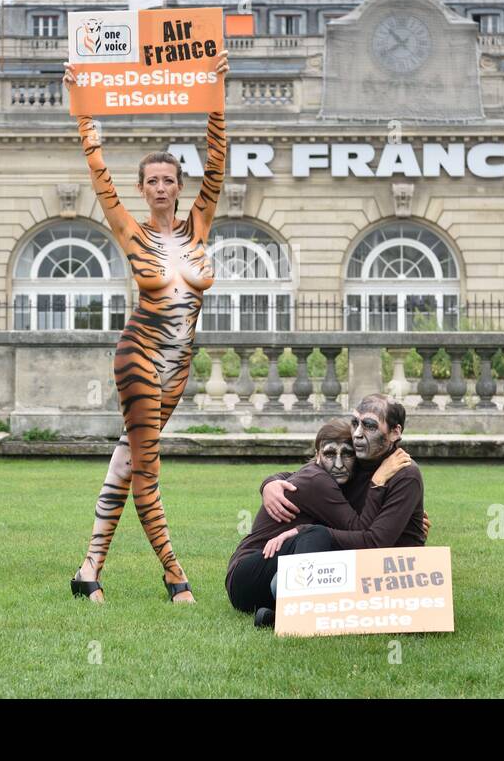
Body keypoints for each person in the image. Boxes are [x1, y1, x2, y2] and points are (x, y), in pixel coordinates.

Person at [64, 55, 231, 604]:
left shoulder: (198, 227)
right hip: (140, 354)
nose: (161, 187)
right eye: (152, 180)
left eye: (168, 179)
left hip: (180, 363)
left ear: (179, 187)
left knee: (128, 460)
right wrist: (82, 110)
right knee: (148, 467)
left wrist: (216, 93)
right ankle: (174, 572)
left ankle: (89, 567)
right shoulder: (131, 231)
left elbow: (218, 164)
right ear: (141, 189)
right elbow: (99, 174)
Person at [226, 418, 416, 626]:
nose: (338, 464)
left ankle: (277, 613)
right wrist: (378, 482)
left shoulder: (327, 476)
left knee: (325, 539)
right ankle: (297, 612)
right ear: (317, 456)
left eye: (347, 453)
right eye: (329, 454)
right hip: (246, 576)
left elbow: (353, 525)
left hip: (271, 571)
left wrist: (400, 517)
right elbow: (361, 531)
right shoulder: (318, 481)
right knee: (317, 534)